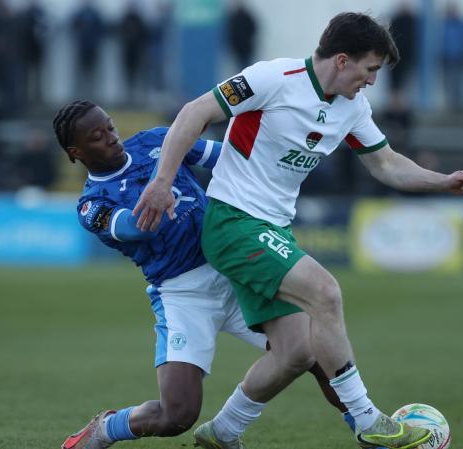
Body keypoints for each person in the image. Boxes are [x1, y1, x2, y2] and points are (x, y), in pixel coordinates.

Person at [134, 12, 463, 449]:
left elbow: (387, 164)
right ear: (341, 60)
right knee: (326, 292)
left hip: (273, 229)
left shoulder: (353, 108)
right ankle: (369, 420)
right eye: (370, 69)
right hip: (233, 221)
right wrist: (162, 181)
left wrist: (443, 181)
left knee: (297, 353)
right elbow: (194, 111)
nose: (372, 81)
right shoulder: (272, 78)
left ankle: (222, 433)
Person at [52, 101, 349, 449]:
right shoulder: (92, 204)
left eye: (111, 127)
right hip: (183, 292)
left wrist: (280, 155)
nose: (112, 138)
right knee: (177, 414)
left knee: (313, 349)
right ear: (76, 152)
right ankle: (107, 427)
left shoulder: (158, 141)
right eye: (97, 137)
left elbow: (228, 155)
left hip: (234, 268)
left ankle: (367, 425)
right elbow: (134, 228)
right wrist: (159, 197)